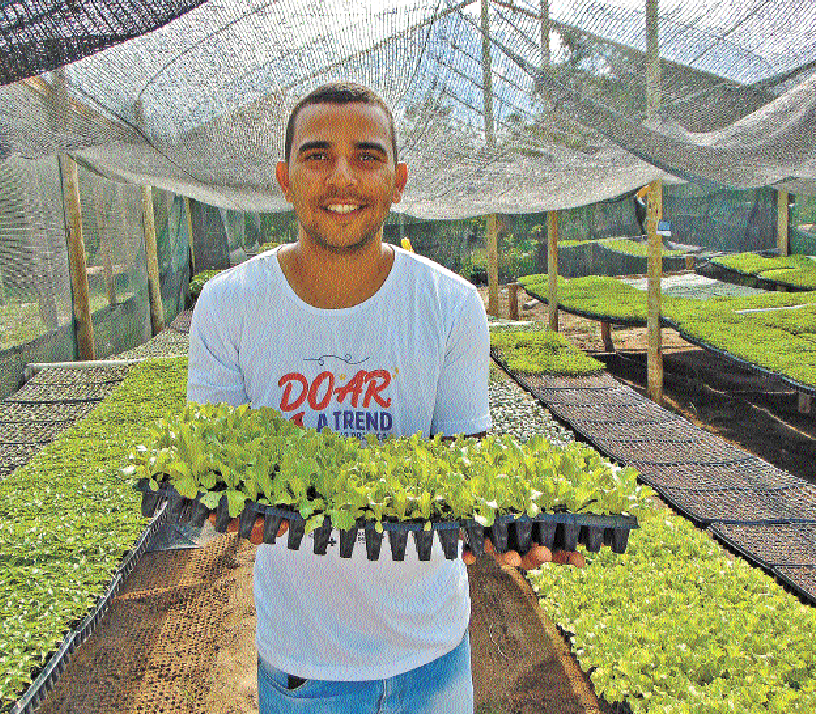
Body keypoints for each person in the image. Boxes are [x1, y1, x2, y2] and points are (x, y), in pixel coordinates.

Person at [187, 82, 583, 714]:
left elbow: (464, 460)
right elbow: (215, 469)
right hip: (305, 660)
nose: (342, 177)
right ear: (285, 178)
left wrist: (510, 523)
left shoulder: (449, 304)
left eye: (366, 156)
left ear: (398, 181)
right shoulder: (230, 306)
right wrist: (225, 502)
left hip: (432, 647)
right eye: (317, 155)